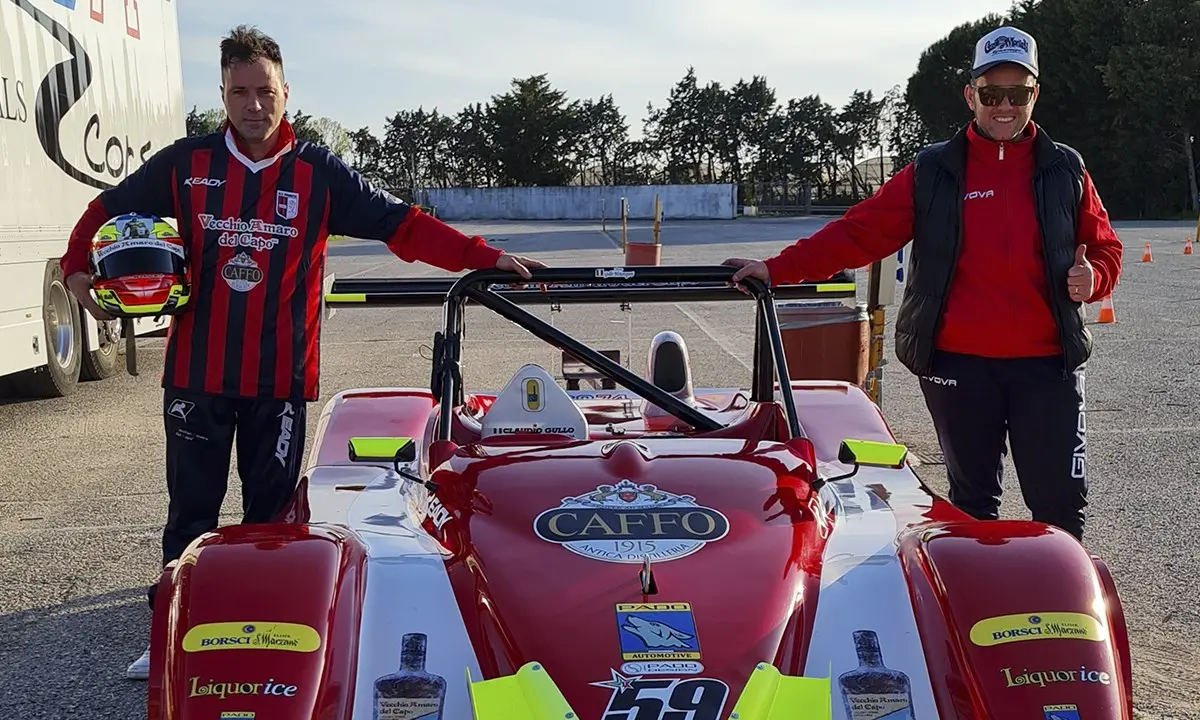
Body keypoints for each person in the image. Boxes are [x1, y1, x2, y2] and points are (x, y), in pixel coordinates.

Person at [60, 24, 545, 680]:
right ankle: (168, 630)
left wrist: (485, 258)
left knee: (269, 523)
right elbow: (104, 210)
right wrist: (76, 270)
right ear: (223, 95)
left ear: (286, 92)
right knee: (192, 514)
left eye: (265, 91)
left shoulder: (318, 174)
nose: (253, 105)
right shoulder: (187, 164)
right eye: (239, 92)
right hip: (197, 377)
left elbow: (403, 227)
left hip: (278, 380)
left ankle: (259, 632)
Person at [723, 25, 1123, 544]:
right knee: (973, 505)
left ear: (1035, 95)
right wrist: (776, 269)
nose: (1004, 106)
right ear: (970, 95)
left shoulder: (1066, 169)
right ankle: (981, 614)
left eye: (1017, 94)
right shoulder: (933, 171)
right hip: (959, 367)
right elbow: (857, 234)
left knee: (1061, 509)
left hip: (1047, 367)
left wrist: (1093, 278)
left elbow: (1107, 247)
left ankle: (1065, 617)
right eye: (991, 94)